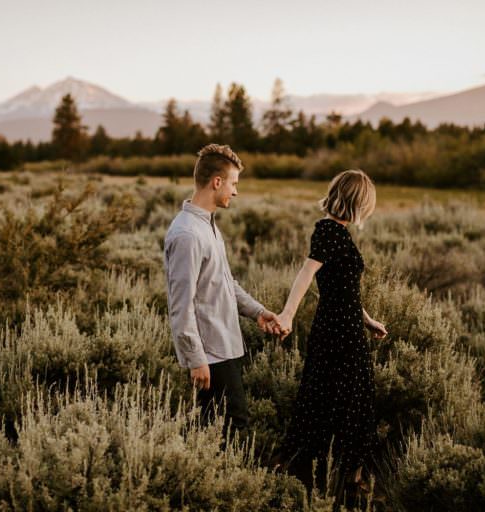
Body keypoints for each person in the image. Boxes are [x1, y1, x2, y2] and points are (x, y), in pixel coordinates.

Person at [274, 169, 388, 501]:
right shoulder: (329, 232)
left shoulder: (336, 232)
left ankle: (342, 478)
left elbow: (343, 289)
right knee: (340, 401)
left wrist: (368, 320)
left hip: (347, 325)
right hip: (338, 333)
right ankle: (337, 481)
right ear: (357, 203)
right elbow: (305, 275)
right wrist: (288, 314)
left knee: (342, 400)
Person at [164, 143, 283, 437]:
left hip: (224, 347)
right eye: (233, 183)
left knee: (217, 429)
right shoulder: (188, 234)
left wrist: (258, 312)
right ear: (217, 182)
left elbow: (225, 282)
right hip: (211, 355)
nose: (236, 191)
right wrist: (196, 359)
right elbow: (181, 305)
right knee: (231, 428)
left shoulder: (207, 226)